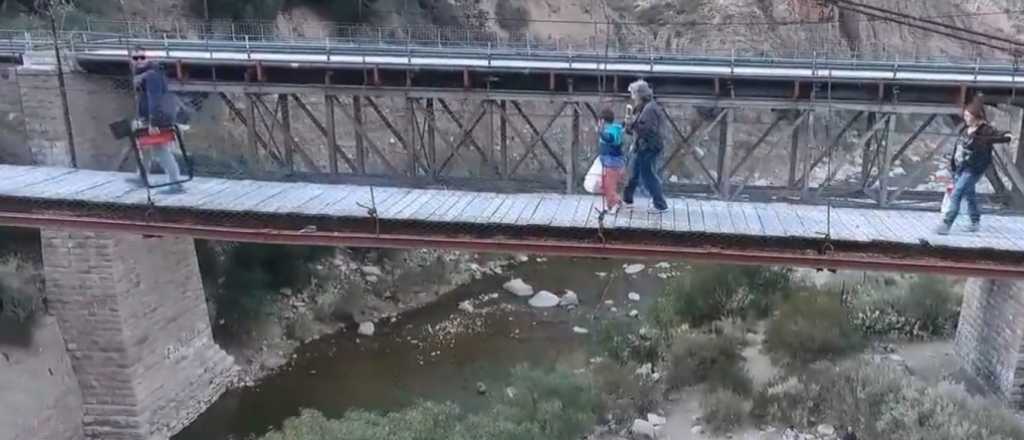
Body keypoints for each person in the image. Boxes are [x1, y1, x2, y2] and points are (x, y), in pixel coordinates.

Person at [934, 96, 1012, 235]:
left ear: (976, 116)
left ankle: (947, 223)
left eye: (968, 116)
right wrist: (952, 164)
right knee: (969, 195)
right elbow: (958, 147)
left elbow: (998, 135)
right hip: (960, 167)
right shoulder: (966, 128)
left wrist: (1005, 135)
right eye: (964, 115)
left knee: (957, 193)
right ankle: (975, 221)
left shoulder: (985, 130)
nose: (965, 118)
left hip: (973, 168)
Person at [131, 47, 184, 193]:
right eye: (136, 58)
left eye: (142, 57)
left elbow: (154, 99)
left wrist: (153, 122)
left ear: (149, 58)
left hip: (156, 118)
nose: (139, 60)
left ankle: (176, 183)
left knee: (159, 149)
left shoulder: (151, 75)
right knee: (145, 147)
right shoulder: (145, 74)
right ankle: (142, 176)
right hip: (152, 117)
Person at [623, 79, 669, 213]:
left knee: (648, 176)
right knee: (634, 173)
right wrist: (628, 125)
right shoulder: (644, 106)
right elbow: (635, 128)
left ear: (639, 94)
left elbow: (645, 129)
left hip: (649, 147)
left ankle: (660, 205)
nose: (631, 96)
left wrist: (631, 124)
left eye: (632, 93)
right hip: (641, 146)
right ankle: (627, 200)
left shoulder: (649, 109)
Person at [598, 107, 626, 213]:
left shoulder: (611, 130)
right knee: (606, 184)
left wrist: (600, 132)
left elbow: (610, 139)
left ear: (602, 120)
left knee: (609, 185)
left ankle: (616, 203)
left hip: (612, 162)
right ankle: (610, 204)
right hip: (608, 161)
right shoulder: (615, 127)